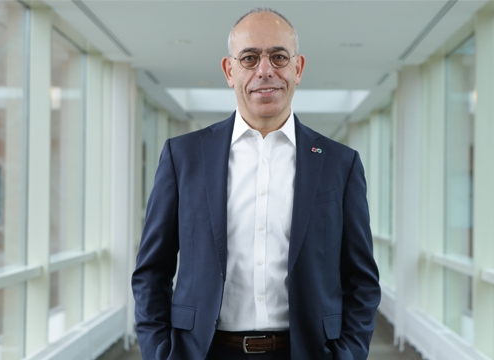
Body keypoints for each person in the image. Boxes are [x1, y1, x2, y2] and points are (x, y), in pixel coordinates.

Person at [132, 7, 381, 360]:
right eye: (249, 58)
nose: (265, 71)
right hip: (202, 351)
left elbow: (362, 279)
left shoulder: (340, 164)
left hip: (307, 351)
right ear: (229, 70)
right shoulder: (183, 157)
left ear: (298, 68)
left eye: (279, 56)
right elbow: (151, 272)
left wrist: (348, 354)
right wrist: (160, 352)